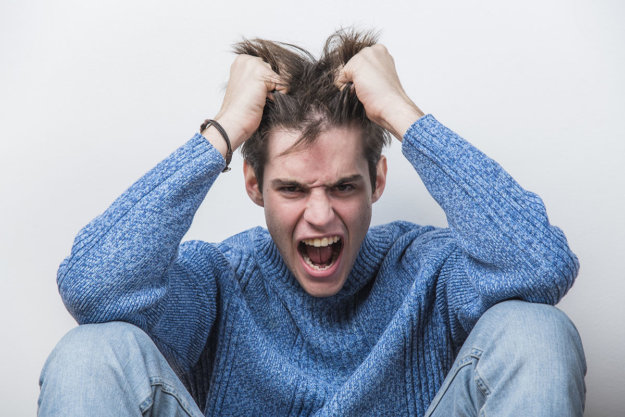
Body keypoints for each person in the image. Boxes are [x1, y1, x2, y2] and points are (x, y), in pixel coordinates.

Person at [38, 30, 586, 416]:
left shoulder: (428, 269)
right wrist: (223, 131)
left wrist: (402, 112)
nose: (320, 214)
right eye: (293, 188)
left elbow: (541, 268)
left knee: (536, 330)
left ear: (378, 181)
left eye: (344, 186)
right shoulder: (218, 280)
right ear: (254, 185)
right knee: (90, 355)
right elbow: (92, 288)